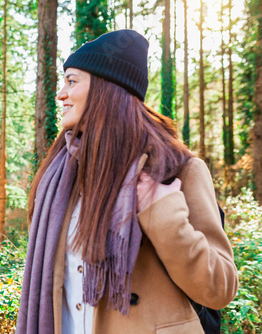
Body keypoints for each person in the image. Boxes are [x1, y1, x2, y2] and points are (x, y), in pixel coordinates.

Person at [17, 30, 238, 334]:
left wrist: (161, 212)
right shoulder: (59, 177)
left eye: (72, 81)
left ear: (106, 88)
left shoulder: (177, 170)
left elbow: (220, 288)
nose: (60, 94)